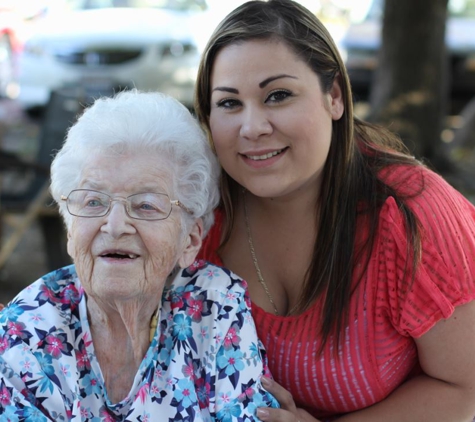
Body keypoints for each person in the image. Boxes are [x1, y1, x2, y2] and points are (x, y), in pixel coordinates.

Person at [194, 1, 475, 421]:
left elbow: (466, 390)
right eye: (230, 104)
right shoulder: (196, 215)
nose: (252, 127)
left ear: (335, 98)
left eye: (278, 95)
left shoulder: (411, 214)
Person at [0, 90, 278, 420]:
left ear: (189, 241)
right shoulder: (28, 331)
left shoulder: (215, 307)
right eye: (93, 202)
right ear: (71, 229)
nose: (115, 226)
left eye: (146, 205)